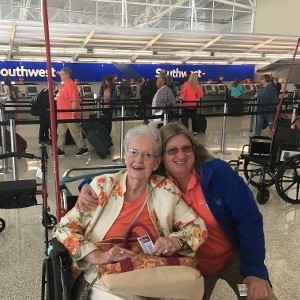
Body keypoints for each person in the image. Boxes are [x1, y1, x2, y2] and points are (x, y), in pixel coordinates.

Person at [77, 122, 278, 300]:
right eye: (172, 150)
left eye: (186, 148)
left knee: (260, 295)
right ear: (160, 158)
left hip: (232, 257)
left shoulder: (217, 174)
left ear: (194, 149)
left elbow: (249, 220)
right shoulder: (157, 181)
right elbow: (126, 173)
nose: (180, 155)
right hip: (190, 265)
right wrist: (87, 186)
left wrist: (255, 271)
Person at [55, 124, 208, 300]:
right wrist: (97, 255)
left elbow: (198, 227)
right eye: (133, 152)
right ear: (125, 156)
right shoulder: (102, 186)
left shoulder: (165, 189)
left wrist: (175, 241)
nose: (138, 160)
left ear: (156, 162)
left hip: (153, 272)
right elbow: (64, 228)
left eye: (147, 155)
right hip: (108, 275)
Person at [56, 67, 88, 156]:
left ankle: (83, 148)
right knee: (60, 133)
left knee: (75, 132)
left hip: (69, 114)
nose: (60, 76)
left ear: (67, 75)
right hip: (62, 115)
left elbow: (74, 100)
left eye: (62, 74)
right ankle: (60, 149)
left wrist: (73, 113)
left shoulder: (71, 85)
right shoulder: (64, 85)